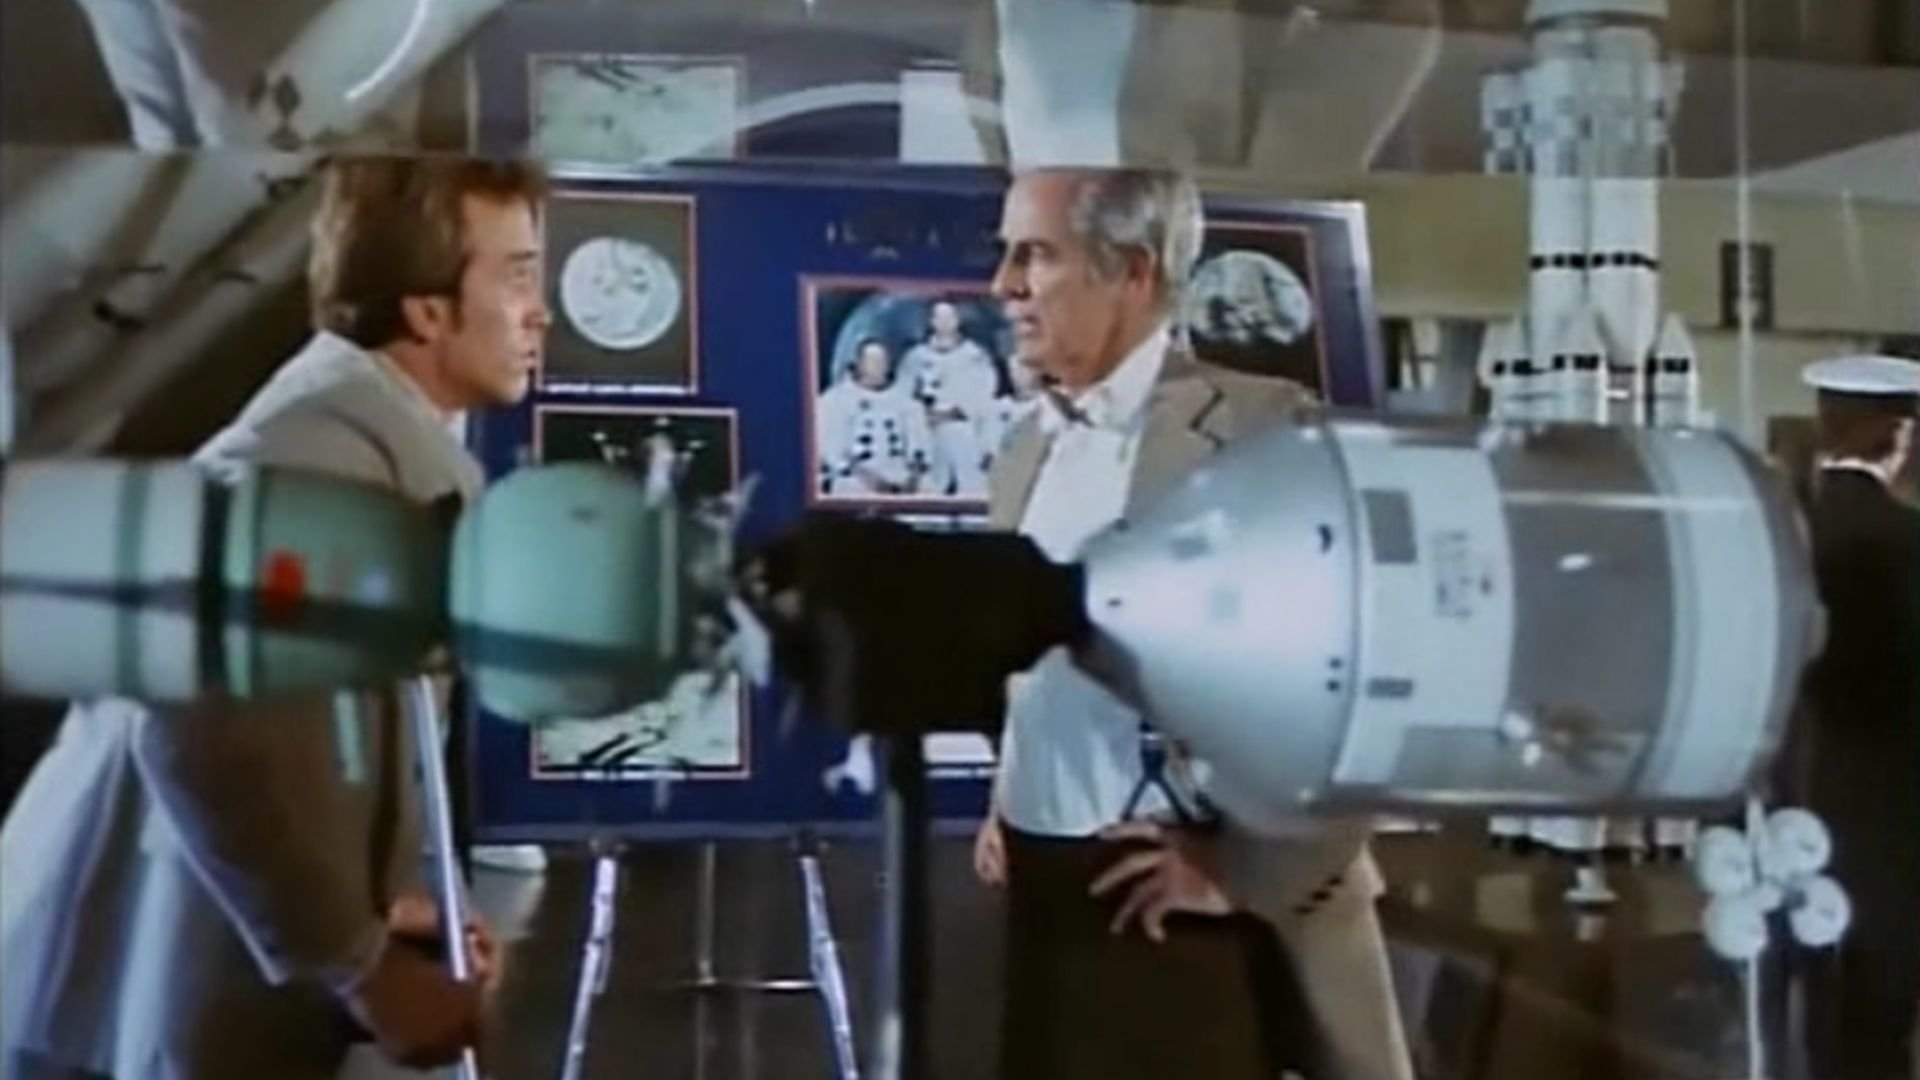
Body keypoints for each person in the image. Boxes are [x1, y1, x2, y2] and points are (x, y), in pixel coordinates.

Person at [0, 155, 552, 1080]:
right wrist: (365, 968)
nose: (540, 313)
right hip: (132, 1009)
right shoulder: (310, 472)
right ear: (428, 311)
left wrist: (382, 906)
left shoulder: (359, 452)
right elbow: (201, 733)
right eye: (518, 277)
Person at [973, 167, 1412, 1080]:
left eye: (1035, 255)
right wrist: (1009, 793)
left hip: (1189, 912)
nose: (1002, 284)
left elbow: (1385, 676)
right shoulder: (1023, 451)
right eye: (1006, 254)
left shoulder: (1265, 429)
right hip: (1045, 894)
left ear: (1133, 272)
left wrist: (1245, 871)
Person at [1793, 353, 1920, 1080]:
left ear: (1823, 424)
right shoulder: (1907, 543)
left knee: (1807, 1015)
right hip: (1888, 826)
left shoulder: (1783, 533)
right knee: (1875, 1025)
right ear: (1896, 434)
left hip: (1786, 814)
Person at [901, 299, 1001, 497]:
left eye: (949, 317)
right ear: (931, 321)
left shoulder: (975, 356)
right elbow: (903, 396)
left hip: (964, 431)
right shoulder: (915, 358)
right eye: (939, 317)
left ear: (957, 320)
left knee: (971, 486)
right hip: (926, 432)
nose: (944, 322)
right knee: (929, 488)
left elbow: (983, 396)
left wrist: (952, 413)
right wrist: (923, 415)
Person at [816, 337, 933, 497]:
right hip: (856, 478)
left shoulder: (907, 402)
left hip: (901, 476)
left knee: (928, 489)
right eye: (871, 362)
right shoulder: (834, 400)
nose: (877, 367)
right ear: (859, 364)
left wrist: (913, 478)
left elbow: (920, 447)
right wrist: (870, 479)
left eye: (881, 362)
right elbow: (833, 453)